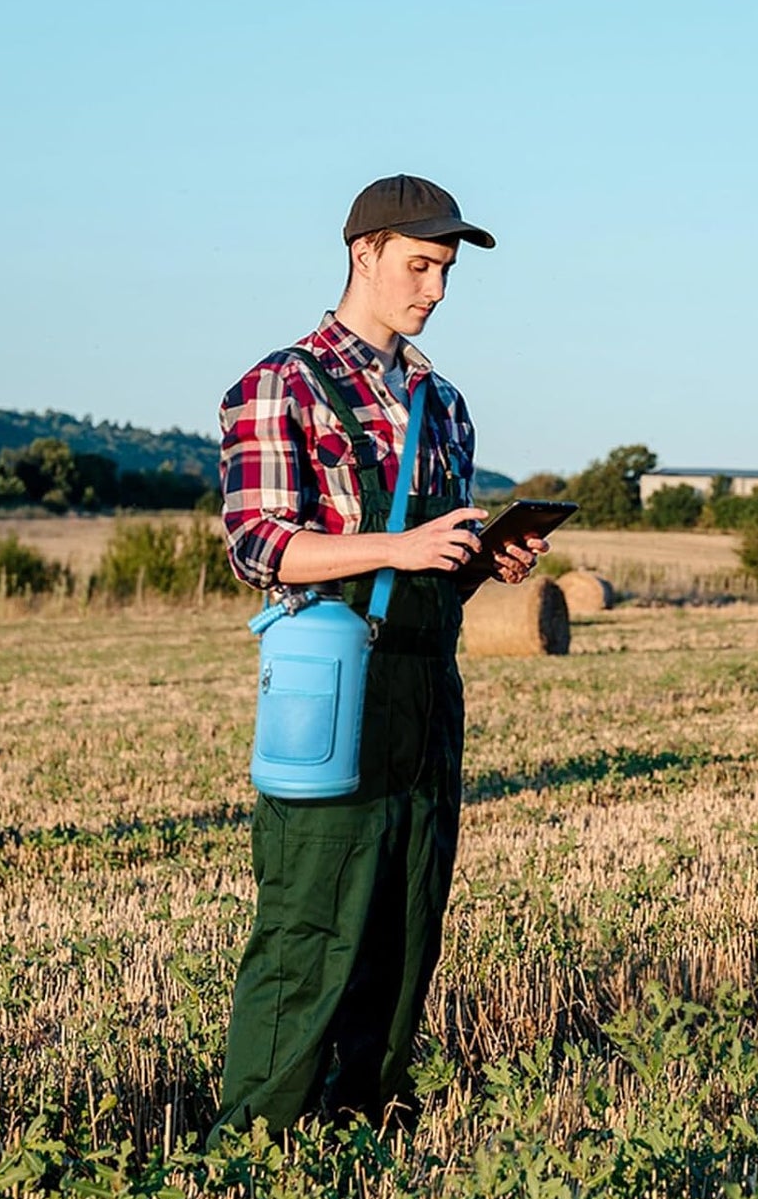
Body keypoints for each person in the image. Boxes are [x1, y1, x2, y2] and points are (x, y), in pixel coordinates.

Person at [209, 174, 544, 1143]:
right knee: (309, 925)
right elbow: (258, 544)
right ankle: (251, 1149)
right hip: (331, 683)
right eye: (420, 265)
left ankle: (362, 1136)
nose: (435, 288)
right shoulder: (281, 385)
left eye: (445, 272)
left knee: (406, 923)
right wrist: (397, 545)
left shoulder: (444, 403)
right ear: (364, 252)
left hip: (427, 682)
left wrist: (478, 561)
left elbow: (424, 569)